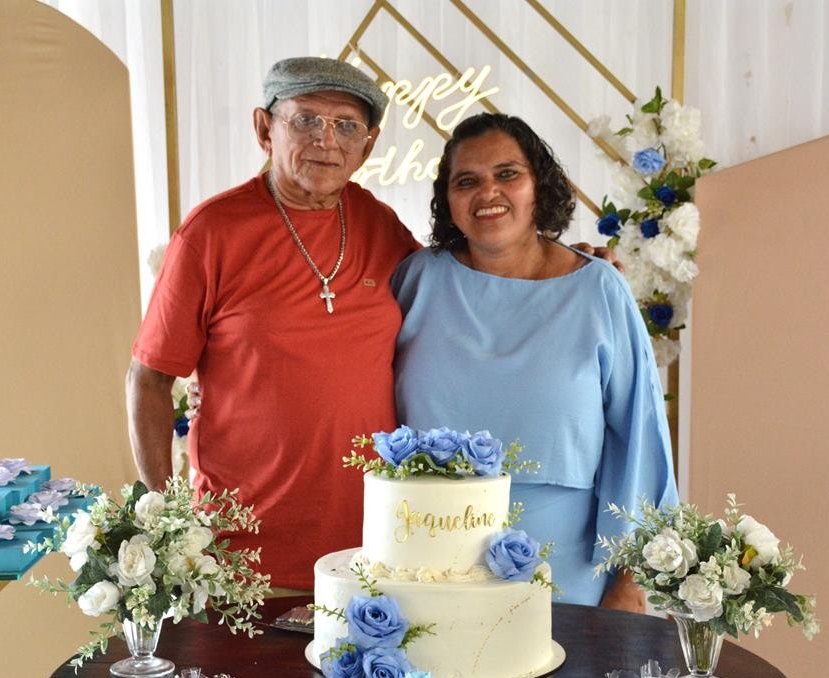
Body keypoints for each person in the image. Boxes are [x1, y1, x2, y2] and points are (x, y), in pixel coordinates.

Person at [127, 58, 419, 590]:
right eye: (305, 120)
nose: (326, 141)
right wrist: (166, 520)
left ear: (367, 146)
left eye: (346, 125)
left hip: (374, 551)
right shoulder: (210, 233)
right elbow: (148, 379)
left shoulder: (382, 225)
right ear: (265, 129)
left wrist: (560, 262)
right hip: (242, 556)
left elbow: (457, 294)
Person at [391, 113, 677, 609]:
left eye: (507, 174)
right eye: (466, 181)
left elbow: (639, 440)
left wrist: (631, 582)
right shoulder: (417, 280)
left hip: (565, 570)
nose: (488, 192)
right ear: (448, 201)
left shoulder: (599, 288)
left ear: (538, 187)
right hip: (427, 563)